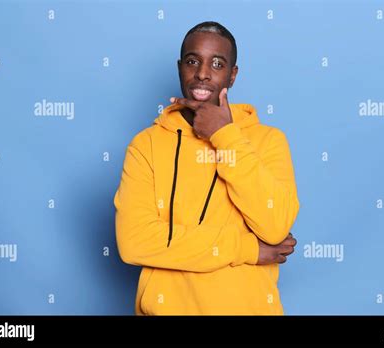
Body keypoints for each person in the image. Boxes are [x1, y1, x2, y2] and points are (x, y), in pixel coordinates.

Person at [114, 21, 300, 315]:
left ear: (233, 74)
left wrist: (224, 135)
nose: (202, 73)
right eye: (192, 61)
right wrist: (248, 249)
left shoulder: (268, 141)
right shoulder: (146, 144)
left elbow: (275, 226)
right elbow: (134, 242)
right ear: (180, 68)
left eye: (217, 63)